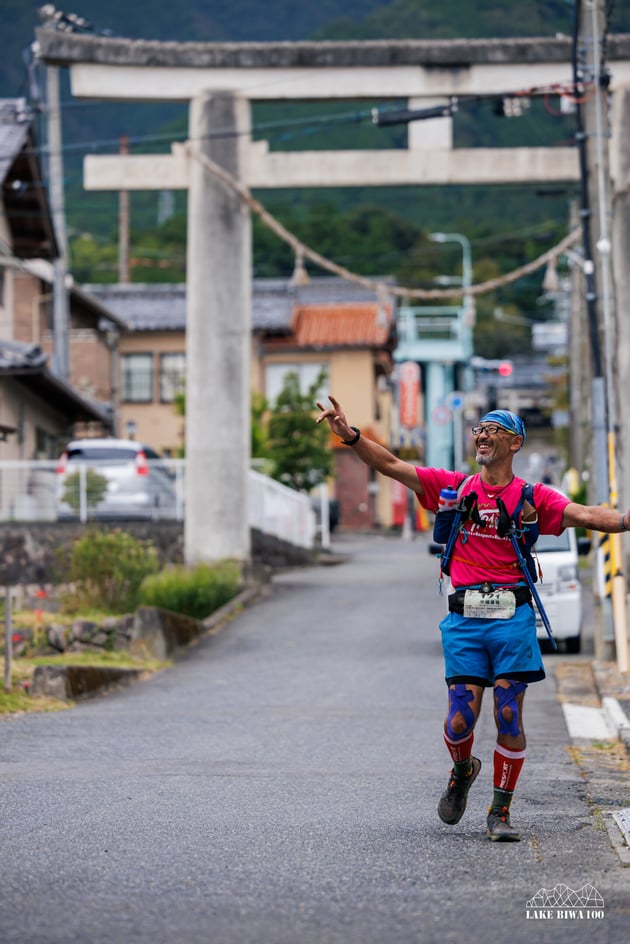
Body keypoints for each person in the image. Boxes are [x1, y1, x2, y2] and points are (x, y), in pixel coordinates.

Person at [316, 396, 630, 842]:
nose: (482, 435)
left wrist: (624, 520)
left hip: (513, 618)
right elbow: (390, 464)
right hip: (465, 618)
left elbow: (583, 514)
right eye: (478, 429)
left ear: (515, 443)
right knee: (459, 721)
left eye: (493, 429)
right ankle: (462, 771)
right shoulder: (456, 488)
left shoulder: (532, 497)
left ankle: (500, 812)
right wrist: (349, 435)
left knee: (508, 715)